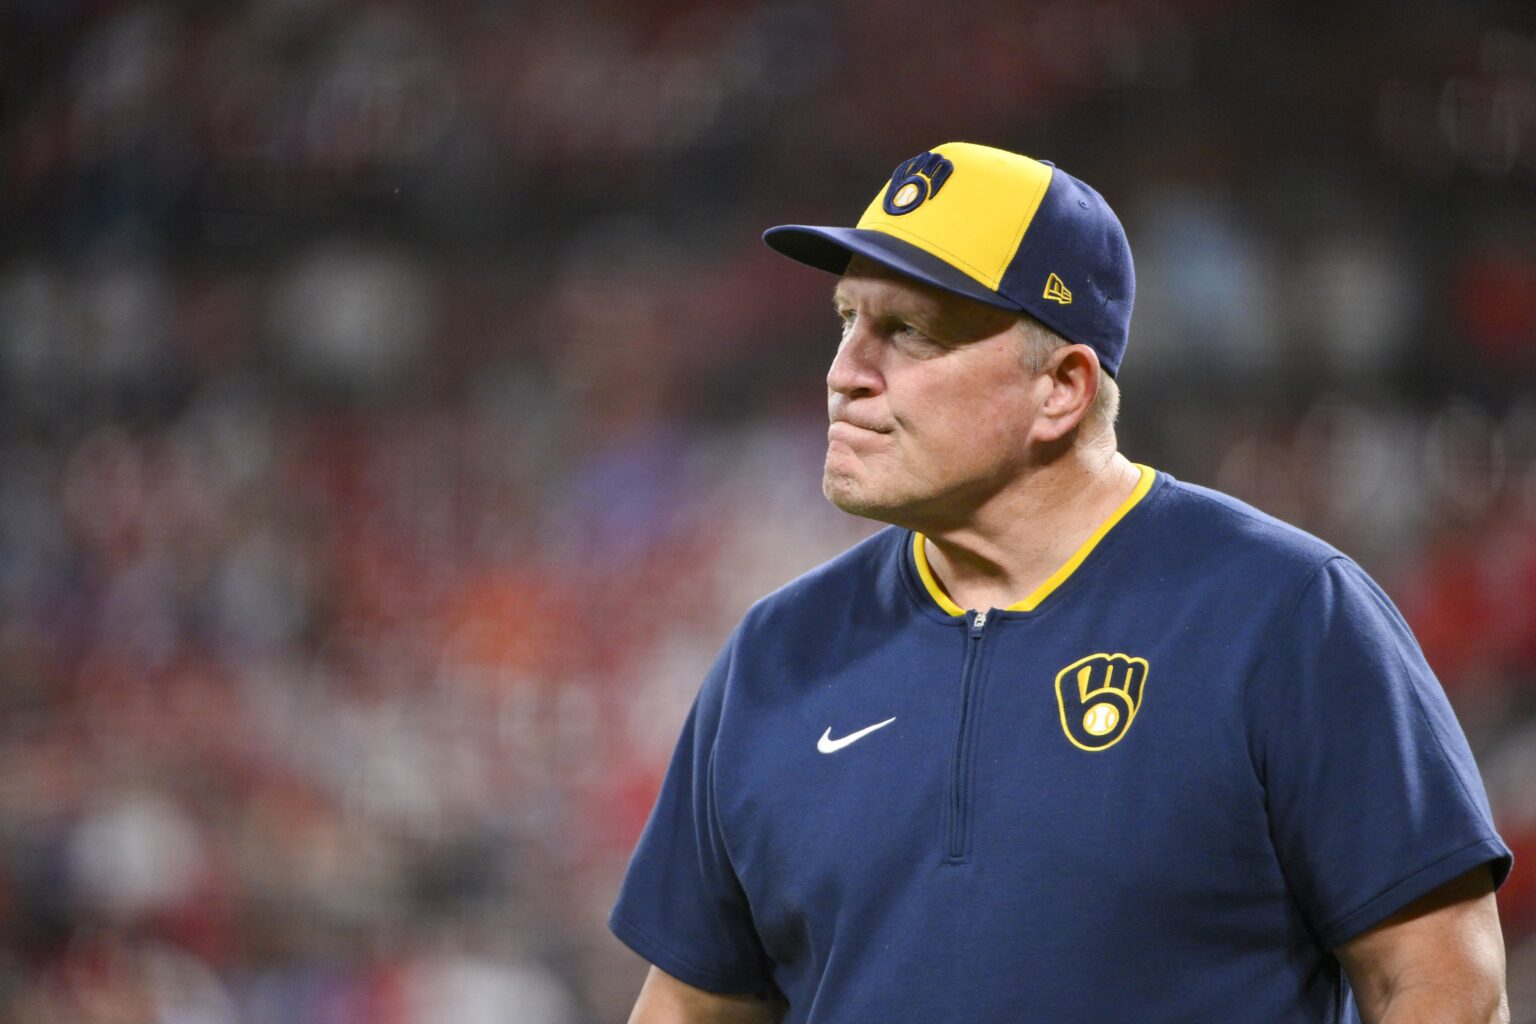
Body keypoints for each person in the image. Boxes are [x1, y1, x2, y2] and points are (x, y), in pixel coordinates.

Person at [608, 142, 1513, 1023]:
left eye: (907, 332)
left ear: (1063, 389)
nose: (846, 374)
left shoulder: (1285, 615)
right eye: (846, 320)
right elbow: (690, 1004)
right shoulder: (777, 655)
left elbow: (1440, 985)